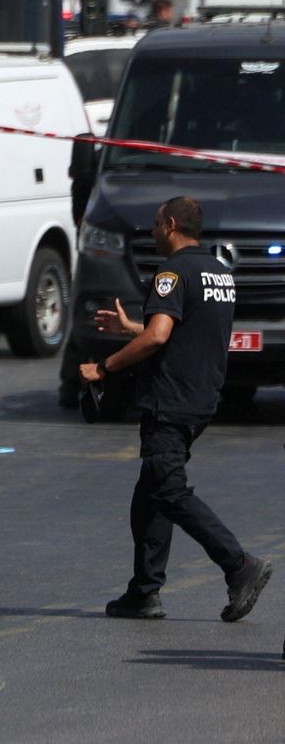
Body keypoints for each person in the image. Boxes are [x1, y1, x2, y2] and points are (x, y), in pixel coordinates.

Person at [79, 196, 272, 621]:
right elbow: (186, 329)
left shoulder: (171, 272)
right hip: (202, 397)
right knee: (149, 495)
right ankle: (144, 591)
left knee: (168, 490)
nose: (151, 232)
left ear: (170, 225)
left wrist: (103, 367)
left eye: (154, 225)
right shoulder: (220, 273)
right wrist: (133, 328)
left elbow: (158, 338)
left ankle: (240, 566)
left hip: (171, 400)